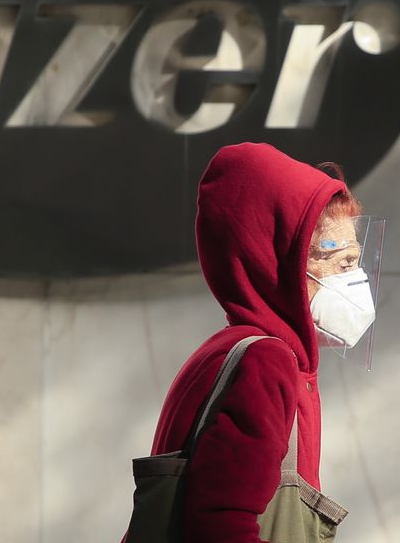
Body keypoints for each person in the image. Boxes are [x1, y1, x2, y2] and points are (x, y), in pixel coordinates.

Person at [143, 142, 367, 541]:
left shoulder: (225, 349)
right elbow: (220, 525)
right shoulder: (265, 361)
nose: (356, 279)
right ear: (282, 260)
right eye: (343, 262)